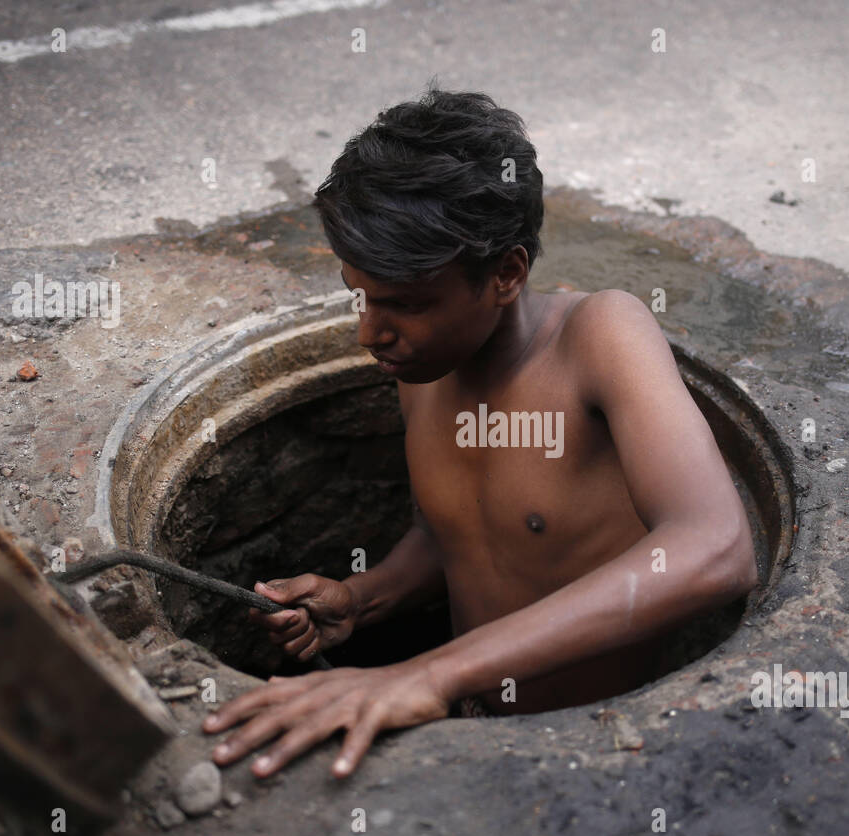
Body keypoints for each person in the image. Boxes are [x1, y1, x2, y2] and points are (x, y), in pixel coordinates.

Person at [203, 84, 758, 779]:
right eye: (362, 295)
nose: (369, 331)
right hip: (468, 726)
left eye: (406, 303)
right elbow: (458, 533)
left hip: (596, 751)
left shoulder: (600, 338)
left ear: (505, 273)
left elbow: (717, 547)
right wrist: (363, 598)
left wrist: (428, 674)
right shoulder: (425, 367)